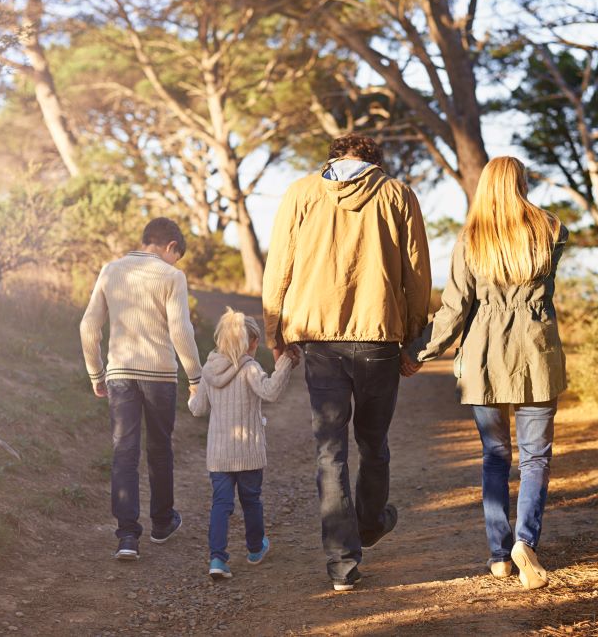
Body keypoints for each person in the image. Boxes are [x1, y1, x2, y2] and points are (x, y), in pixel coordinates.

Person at [262, 133, 432, 591]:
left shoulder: (301, 192)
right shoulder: (398, 195)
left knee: (329, 451)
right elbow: (417, 273)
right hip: (378, 338)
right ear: (376, 161)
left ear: (335, 157)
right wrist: (415, 341)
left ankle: (341, 564)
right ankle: (371, 525)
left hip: (320, 341)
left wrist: (274, 331)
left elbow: (279, 264)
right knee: (373, 442)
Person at [404, 156, 569, 590]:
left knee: (495, 456)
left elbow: (455, 308)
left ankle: (499, 555)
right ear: (523, 183)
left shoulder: (470, 240)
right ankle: (525, 541)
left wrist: (419, 352)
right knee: (535, 458)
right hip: (537, 354)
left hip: (484, 359)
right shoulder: (551, 230)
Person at [80, 217, 203, 561]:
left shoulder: (110, 270)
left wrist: (96, 374)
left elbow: (88, 326)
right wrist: (195, 378)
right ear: (170, 247)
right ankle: (162, 523)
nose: (175, 262)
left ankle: (127, 537)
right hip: (160, 375)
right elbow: (181, 331)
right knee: (160, 448)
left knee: (124, 451)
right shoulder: (171, 276)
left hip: (119, 374)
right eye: (176, 255)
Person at [188, 308, 298, 580]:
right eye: (255, 341)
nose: (256, 346)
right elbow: (270, 392)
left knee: (220, 504)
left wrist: (191, 395)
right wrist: (285, 363)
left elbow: (198, 409)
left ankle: (217, 558)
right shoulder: (250, 368)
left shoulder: (208, 369)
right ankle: (254, 549)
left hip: (219, 454)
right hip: (247, 452)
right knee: (251, 501)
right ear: (248, 343)